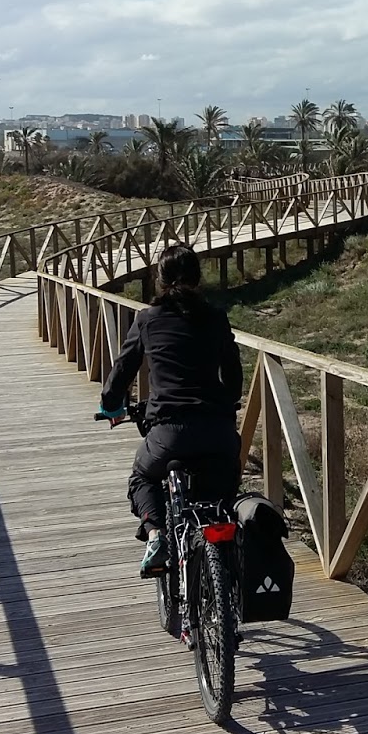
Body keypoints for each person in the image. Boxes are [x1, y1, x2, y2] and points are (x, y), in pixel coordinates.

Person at [99, 243, 244, 577]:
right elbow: (233, 374)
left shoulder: (148, 319)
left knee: (142, 476)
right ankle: (225, 560)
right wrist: (226, 403)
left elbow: (123, 369)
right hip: (218, 432)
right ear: (198, 278)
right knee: (223, 489)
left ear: (160, 280)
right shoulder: (216, 317)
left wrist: (110, 405)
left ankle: (156, 535)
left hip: (169, 434)